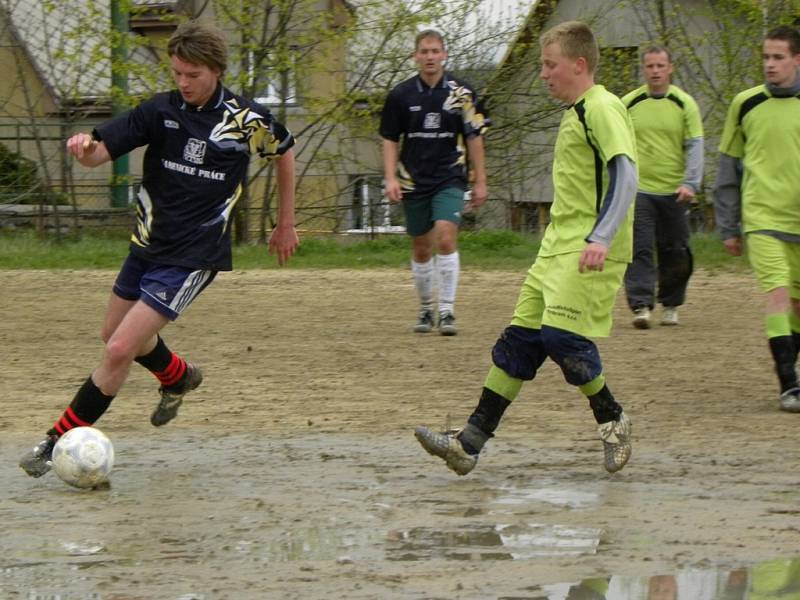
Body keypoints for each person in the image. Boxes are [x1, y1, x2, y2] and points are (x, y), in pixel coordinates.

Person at [19, 21, 299, 478]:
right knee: (112, 335)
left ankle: (53, 445)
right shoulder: (159, 110)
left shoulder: (246, 120)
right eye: (177, 74)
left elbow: (284, 151)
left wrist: (285, 223)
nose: (183, 83)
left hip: (194, 255)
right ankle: (177, 376)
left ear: (215, 69)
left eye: (192, 75)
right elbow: (99, 152)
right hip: (146, 246)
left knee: (119, 350)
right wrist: (82, 148)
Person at [414, 21, 638, 475]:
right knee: (519, 342)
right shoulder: (576, 111)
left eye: (549, 65)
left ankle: (613, 419)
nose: (542, 74)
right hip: (556, 249)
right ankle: (469, 443)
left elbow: (627, 174)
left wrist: (601, 236)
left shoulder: (603, 107)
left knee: (561, 336)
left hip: (589, 249)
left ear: (578, 64)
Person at [379, 27, 490, 336]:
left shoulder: (461, 93)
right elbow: (389, 138)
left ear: (444, 55)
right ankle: (427, 309)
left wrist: (480, 180)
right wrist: (389, 178)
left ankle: (447, 311)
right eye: (424, 52)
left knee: (445, 237)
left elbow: (475, 138)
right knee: (421, 246)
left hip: (449, 177)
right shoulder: (401, 95)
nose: (429, 57)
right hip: (413, 180)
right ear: (416, 56)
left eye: (434, 51)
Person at [714, 24, 800, 413]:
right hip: (762, 218)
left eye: (778, 57)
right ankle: (789, 386)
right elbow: (727, 170)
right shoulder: (745, 103)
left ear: (796, 60)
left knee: (796, 305)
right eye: (766, 57)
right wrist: (729, 225)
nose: (770, 64)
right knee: (779, 294)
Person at [621, 46, 704, 328]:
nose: (655, 71)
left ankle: (671, 304)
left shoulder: (684, 104)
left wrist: (691, 183)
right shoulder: (629, 103)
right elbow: (614, 141)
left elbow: (695, 146)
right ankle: (641, 306)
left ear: (670, 68)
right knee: (639, 248)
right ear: (643, 69)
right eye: (650, 66)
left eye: (660, 65)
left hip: (674, 191)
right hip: (639, 190)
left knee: (675, 249)